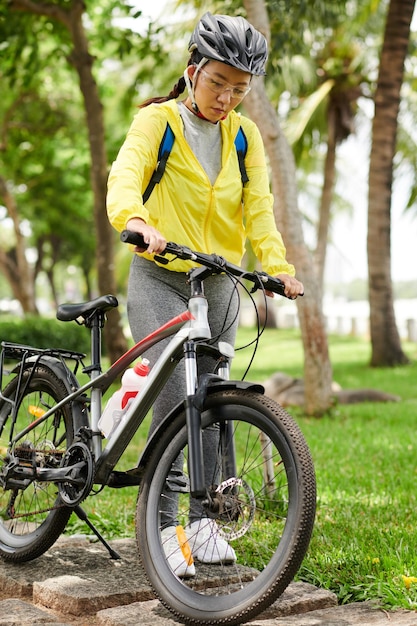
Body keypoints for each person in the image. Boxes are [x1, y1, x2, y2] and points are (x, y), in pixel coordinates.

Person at [107, 11, 304, 578]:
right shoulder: (157, 123)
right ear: (193, 72)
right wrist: (137, 219)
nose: (227, 97)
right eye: (218, 82)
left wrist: (278, 268)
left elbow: (259, 212)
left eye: (239, 88)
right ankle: (163, 526)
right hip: (160, 277)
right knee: (174, 400)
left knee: (214, 405)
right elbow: (125, 175)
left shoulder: (245, 136)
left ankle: (206, 523)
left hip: (218, 285)